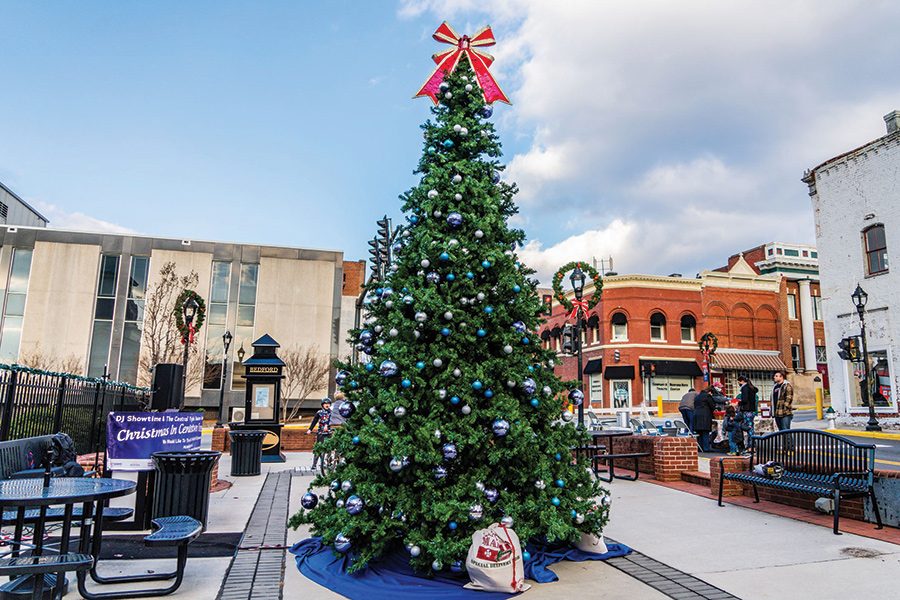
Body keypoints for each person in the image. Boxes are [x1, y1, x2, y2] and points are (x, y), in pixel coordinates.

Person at [306, 398, 332, 470]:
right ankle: (314, 464)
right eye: (325, 404)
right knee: (318, 448)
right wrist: (310, 429)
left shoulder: (331, 413)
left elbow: (332, 421)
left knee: (329, 448)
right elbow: (314, 421)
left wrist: (327, 425)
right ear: (322, 405)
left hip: (328, 432)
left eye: (328, 404)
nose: (327, 405)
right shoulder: (319, 412)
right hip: (321, 432)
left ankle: (329, 462)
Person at [737, 375, 758, 452]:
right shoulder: (751, 388)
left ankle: (751, 446)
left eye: (739, 382)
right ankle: (752, 445)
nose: (738, 384)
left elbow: (745, 400)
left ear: (742, 381)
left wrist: (739, 403)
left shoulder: (745, 388)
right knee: (751, 428)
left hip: (747, 410)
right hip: (752, 410)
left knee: (748, 428)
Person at [692, 385, 716, 452]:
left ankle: (700, 447)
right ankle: (706, 448)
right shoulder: (708, 396)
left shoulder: (697, 397)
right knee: (705, 432)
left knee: (699, 432)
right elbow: (712, 406)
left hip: (696, 414)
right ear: (709, 392)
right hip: (705, 415)